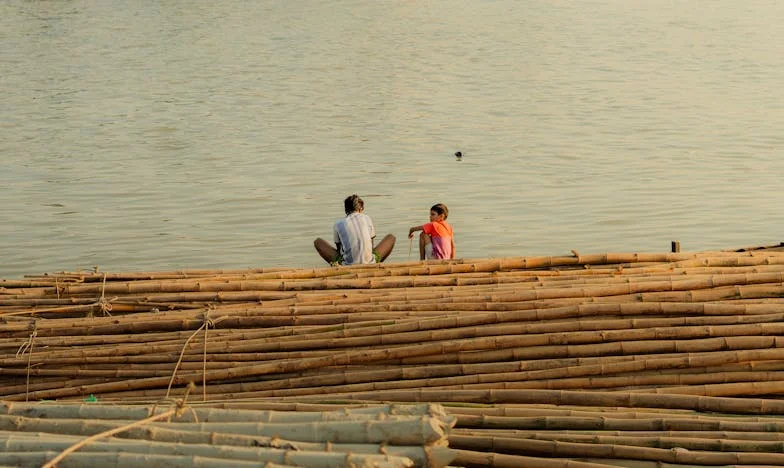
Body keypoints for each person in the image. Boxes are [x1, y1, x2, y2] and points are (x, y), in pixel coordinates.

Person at [314, 194, 396, 265]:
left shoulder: (338, 224)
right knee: (391, 238)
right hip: (370, 263)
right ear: (360, 209)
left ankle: (339, 265)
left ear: (346, 210)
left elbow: (339, 250)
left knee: (318, 242)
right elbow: (371, 246)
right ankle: (374, 265)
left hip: (347, 265)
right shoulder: (367, 218)